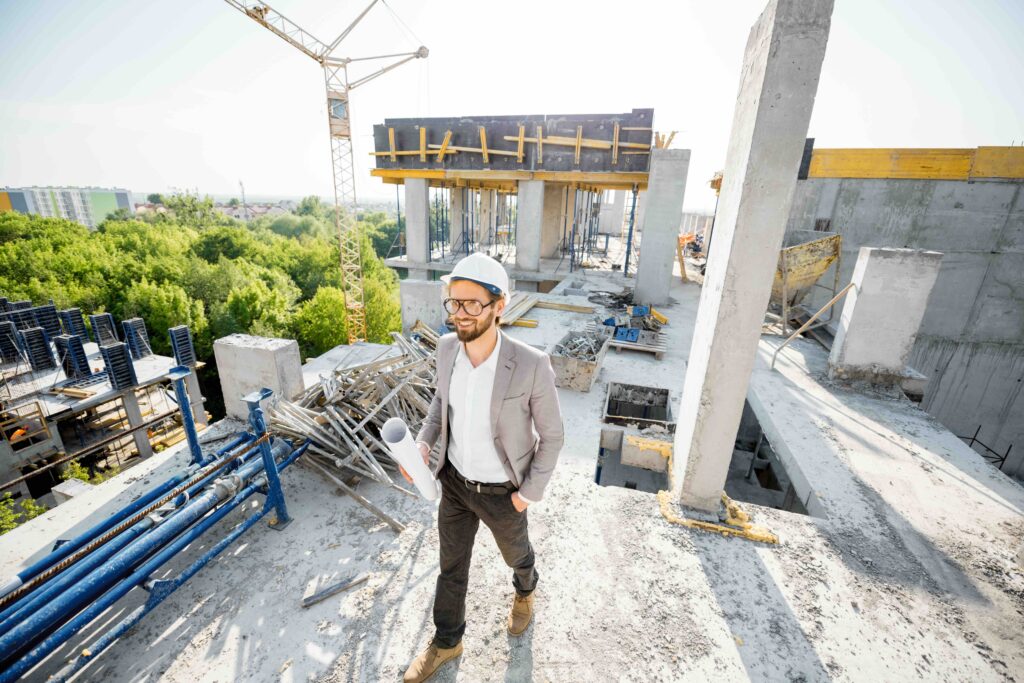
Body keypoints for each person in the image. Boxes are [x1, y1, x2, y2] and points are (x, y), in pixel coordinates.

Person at [402, 253, 564, 683]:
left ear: (499, 305)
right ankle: (447, 641)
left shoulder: (530, 364)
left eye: (472, 304)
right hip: (454, 483)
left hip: (502, 492)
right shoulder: (446, 348)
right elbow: (440, 405)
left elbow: (553, 437)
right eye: (454, 303)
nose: (461, 314)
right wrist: (423, 443)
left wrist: (528, 493)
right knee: (451, 567)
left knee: (517, 556)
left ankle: (526, 591)